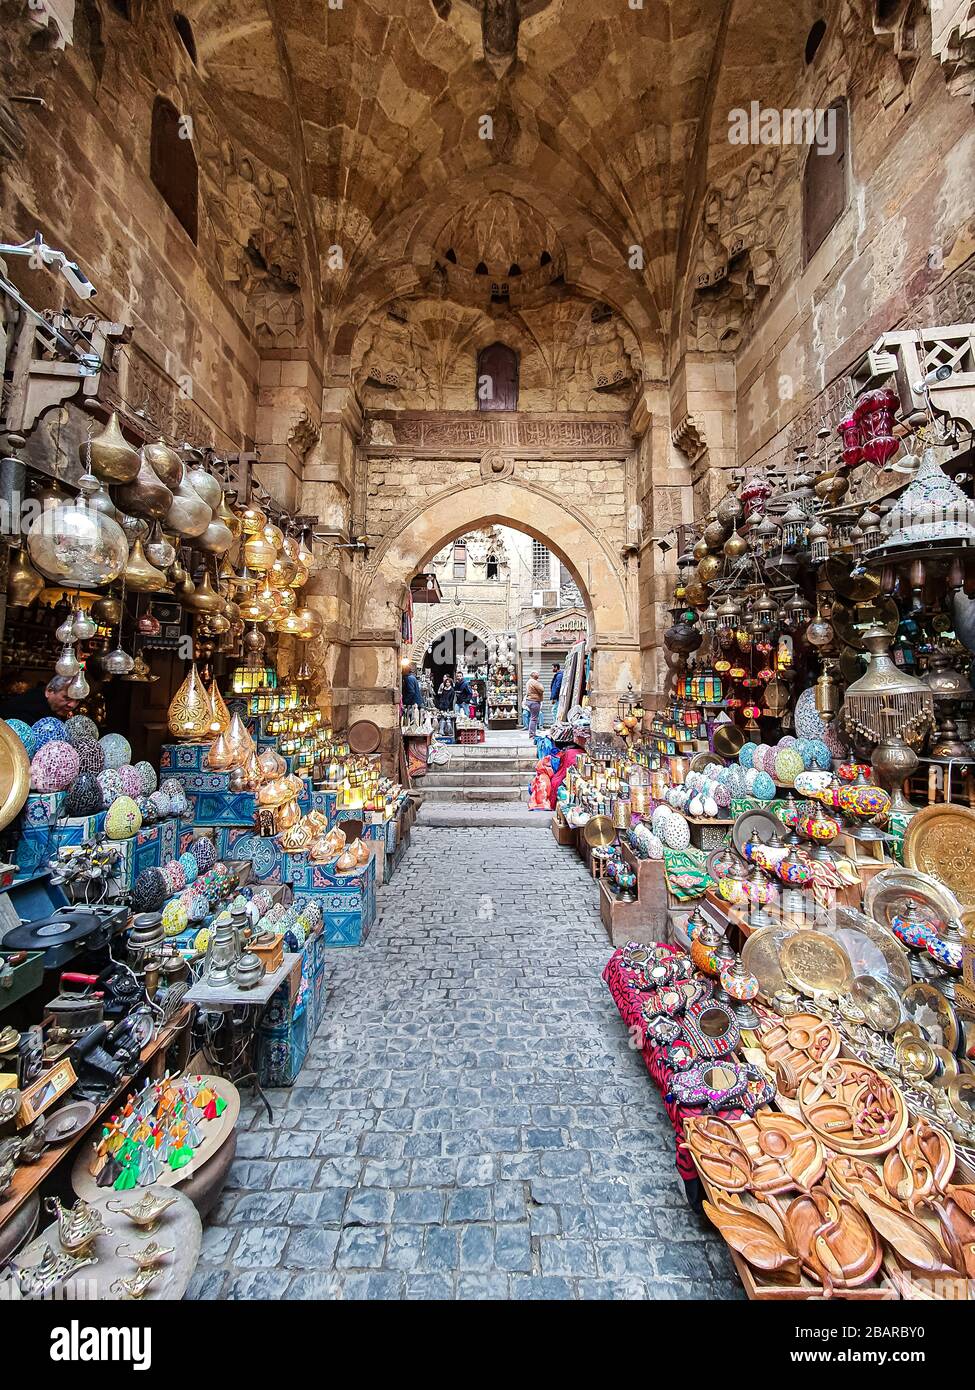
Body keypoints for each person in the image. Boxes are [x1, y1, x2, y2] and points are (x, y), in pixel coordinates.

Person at [0, 674, 80, 723]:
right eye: (67, 698)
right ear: (49, 691)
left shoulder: (53, 707)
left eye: (78, 700)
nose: (72, 705)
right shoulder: (28, 711)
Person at [525, 669, 544, 738]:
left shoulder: (529, 682)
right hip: (534, 701)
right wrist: (540, 684)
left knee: (532, 717)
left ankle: (532, 733)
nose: (538, 675)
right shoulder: (534, 682)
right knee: (534, 718)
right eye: (537, 674)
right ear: (533, 675)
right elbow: (542, 689)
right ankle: (532, 734)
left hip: (530, 701)